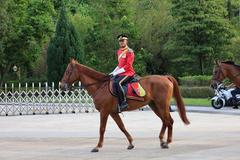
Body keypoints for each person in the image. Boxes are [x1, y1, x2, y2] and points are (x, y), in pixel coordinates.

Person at [109, 34, 136, 113]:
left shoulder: (130, 52)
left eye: (123, 41)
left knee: (118, 83)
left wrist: (116, 73)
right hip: (121, 73)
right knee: (112, 82)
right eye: (120, 41)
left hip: (129, 72)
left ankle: (123, 103)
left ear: (126, 41)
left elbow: (128, 66)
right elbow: (119, 65)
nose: (121, 42)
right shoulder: (119, 51)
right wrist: (112, 72)